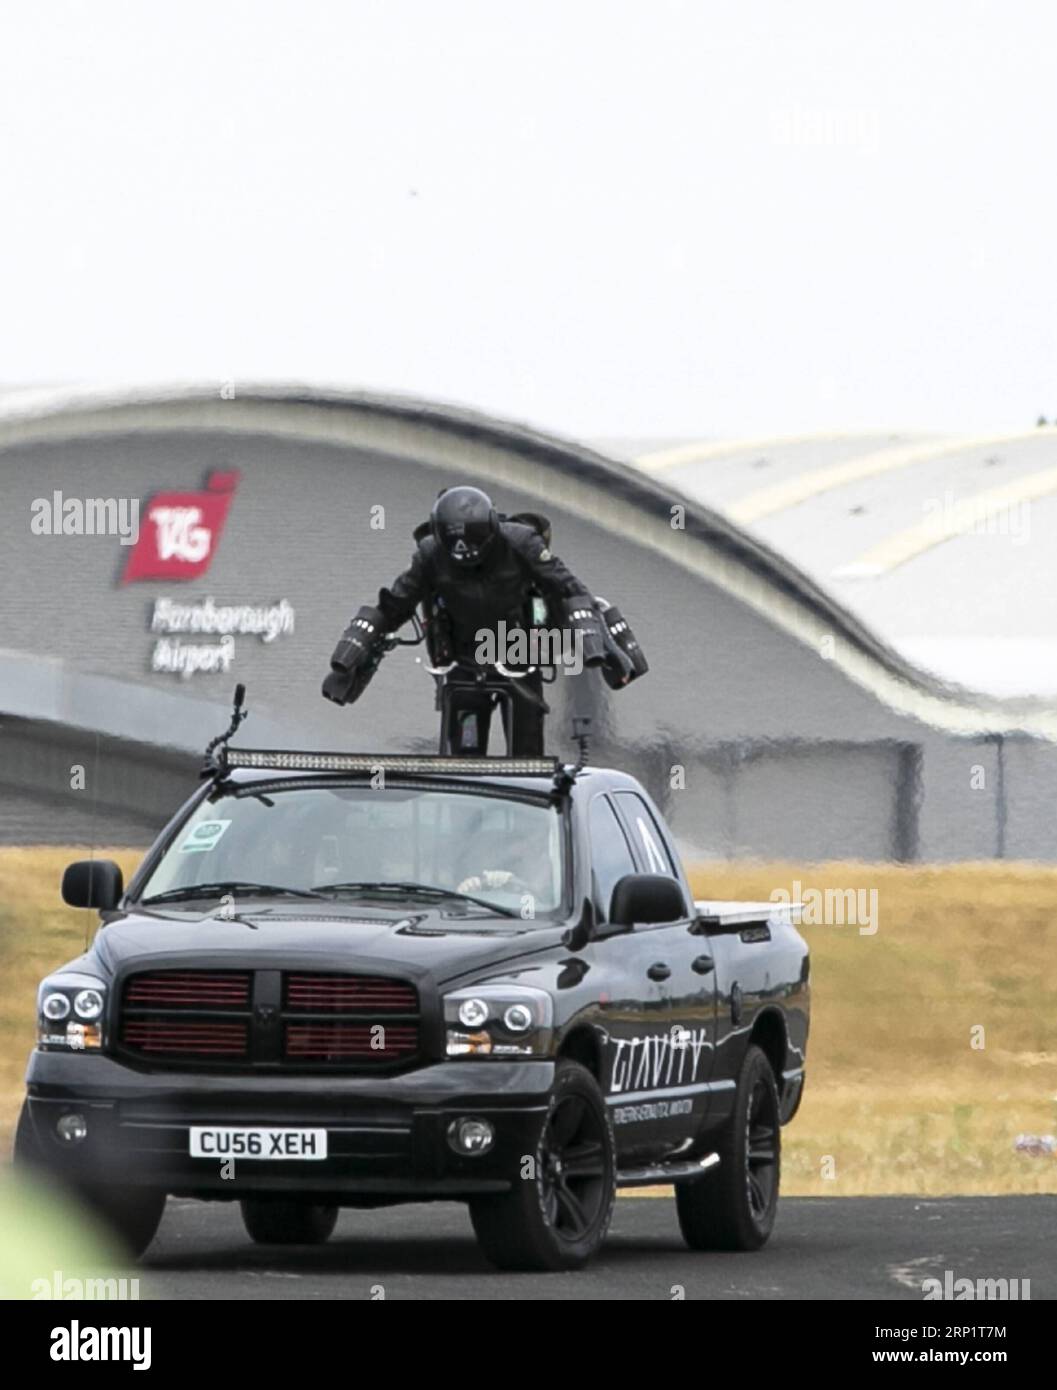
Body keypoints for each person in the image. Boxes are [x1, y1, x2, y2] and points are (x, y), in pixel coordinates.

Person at [322, 485, 647, 755]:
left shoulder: (522, 542)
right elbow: (394, 606)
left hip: (521, 656)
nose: (466, 556)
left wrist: (597, 643)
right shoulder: (430, 553)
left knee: (526, 760)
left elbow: (570, 589)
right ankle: (468, 822)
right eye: (457, 550)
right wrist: (355, 651)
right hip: (464, 662)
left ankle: (527, 822)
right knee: (465, 757)